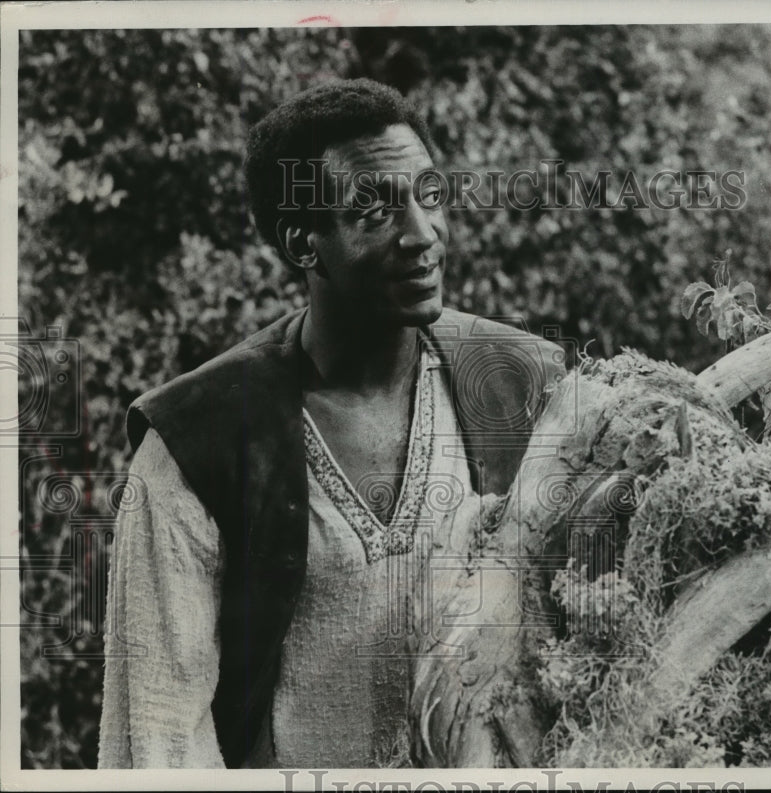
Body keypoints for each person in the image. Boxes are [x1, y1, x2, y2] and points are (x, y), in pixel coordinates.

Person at [98, 78, 566, 769]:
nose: (422, 234)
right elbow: (163, 731)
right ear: (303, 242)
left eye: (429, 196)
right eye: (373, 212)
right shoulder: (196, 443)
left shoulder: (523, 383)